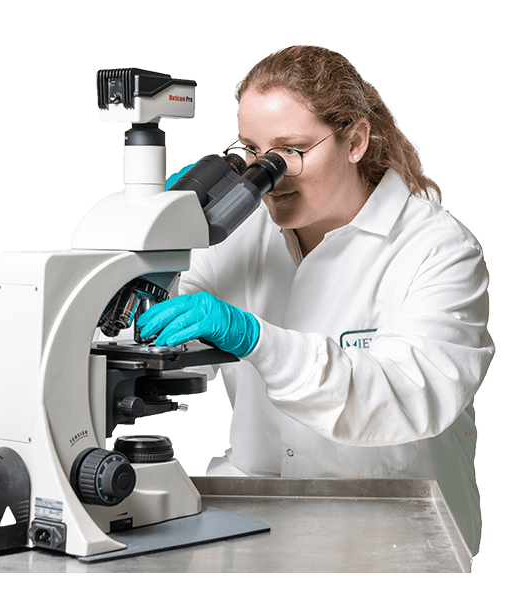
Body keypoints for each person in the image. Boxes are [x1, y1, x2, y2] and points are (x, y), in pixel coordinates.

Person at [136, 46, 494, 555]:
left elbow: (405, 396)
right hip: (253, 503)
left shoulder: (438, 249)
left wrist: (257, 340)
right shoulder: (237, 236)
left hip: (392, 523)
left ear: (355, 141)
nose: (268, 175)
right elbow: (150, 333)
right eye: (251, 153)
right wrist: (150, 243)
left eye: (291, 151)